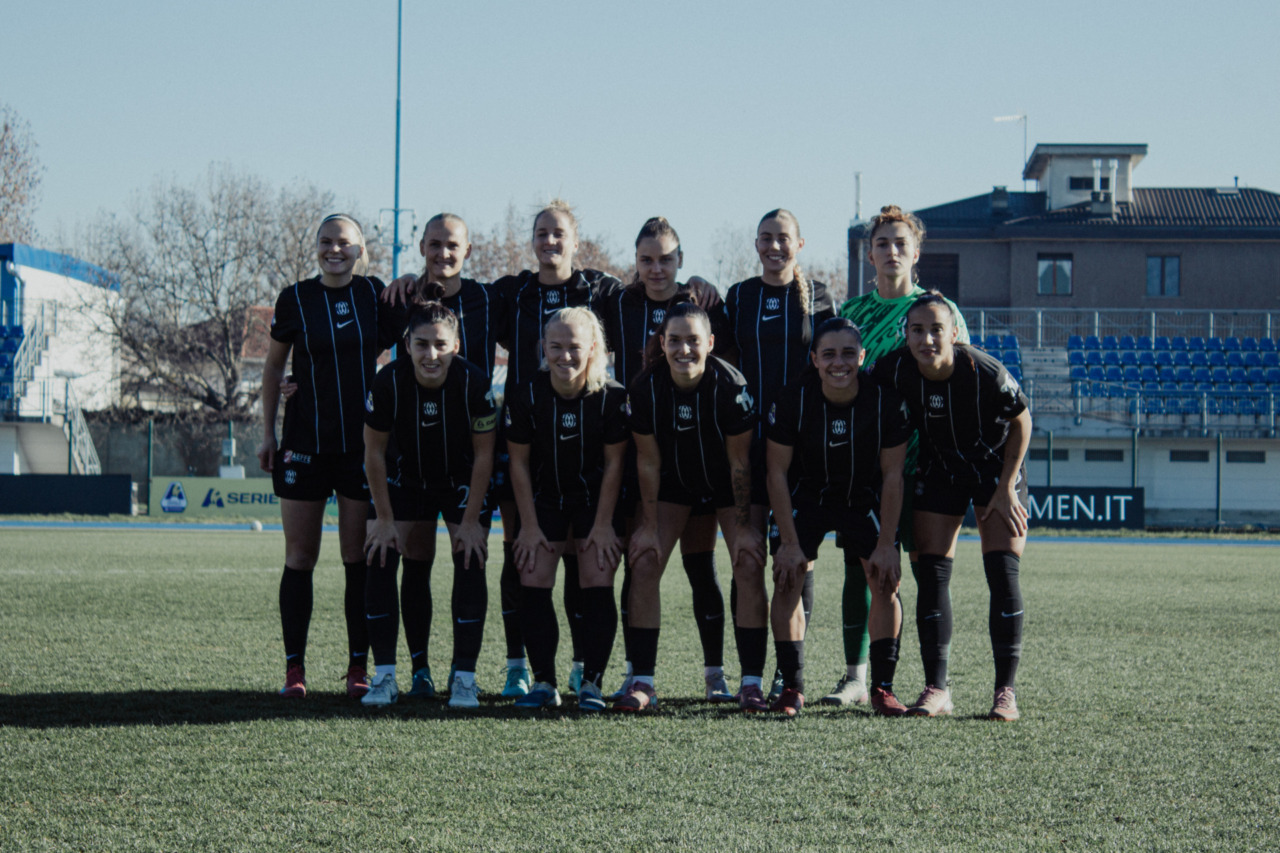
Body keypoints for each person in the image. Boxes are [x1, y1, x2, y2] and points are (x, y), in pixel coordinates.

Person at [824, 204, 971, 707]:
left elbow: (962, 385)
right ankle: (856, 678)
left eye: (900, 244)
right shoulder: (854, 314)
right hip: (868, 466)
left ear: (916, 252)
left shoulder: (941, 311)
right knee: (859, 570)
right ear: (869, 253)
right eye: (882, 244)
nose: (891, 252)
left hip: (928, 463)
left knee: (929, 571)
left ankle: (934, 684)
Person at [257, 213, 400, 699]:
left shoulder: (374, 295)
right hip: (303, 444)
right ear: (315, 247)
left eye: (344, 242)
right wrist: (267, 434)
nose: (333, 249)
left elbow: (416, 327)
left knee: (354, 558)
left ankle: (357, 668)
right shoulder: (294, 298)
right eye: (325, 241)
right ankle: (294, 670)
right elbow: (273, 370)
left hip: (360, 448)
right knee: (300, 557)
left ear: (361, 250)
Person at [595, 217, 734, 703]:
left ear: (681, 260)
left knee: (701, 567)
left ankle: (716, 675)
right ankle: (638, 674)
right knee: (640, 563)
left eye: (666, 259)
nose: (656, 268)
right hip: (640, 453)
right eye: (646, 260)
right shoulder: (616, 301)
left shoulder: (698, 305)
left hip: (697, 454)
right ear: (635, 262)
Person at [873, 291, 1030, 721]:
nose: (927, 339)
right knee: (932, 574)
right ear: (905, 337)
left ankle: (1005, 693)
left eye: (936, 330)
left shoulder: (984, 371)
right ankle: (937, 689)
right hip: (940, 469)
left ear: (954, 333)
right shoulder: (895, 368)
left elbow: (1022, 420)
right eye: (917, 330)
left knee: (1001, 572)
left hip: (995, 470)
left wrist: (1007, 488)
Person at [765, 318, 911, 716]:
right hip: (805, 497)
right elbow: (775, 472)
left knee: (884, 580)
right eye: (829, 354)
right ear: (814, 359)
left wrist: (886, 544)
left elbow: (893, 475)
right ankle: (791, 687)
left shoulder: (885, 400)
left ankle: (882, 687)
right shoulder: (793, 398)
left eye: (849, 353)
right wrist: (791, 545)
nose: (839, 362)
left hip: (861, 498)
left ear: (862, 357)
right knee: (787, 577)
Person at [623, 302, 765, 711]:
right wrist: (647, 525)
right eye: (675, 341)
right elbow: (647, 462)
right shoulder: (646, 387)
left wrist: (742, 528)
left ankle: (751, 683)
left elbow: (739, 463)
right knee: (645, 560)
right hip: (674, 484)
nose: (684, 349)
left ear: (711, 343)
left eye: (693, 340)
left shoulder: (731, 387)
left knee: (749, 561)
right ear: (662, 343)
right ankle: (643, 682)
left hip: (726, 486)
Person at [394, 214, 512, 700]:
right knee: (414, 561)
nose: (443, 253)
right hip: (414, 454)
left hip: (472, 456)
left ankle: (464, 672)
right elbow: (349, 351)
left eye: (453, 245)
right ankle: (419, 670)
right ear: (421, 246)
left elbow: (541, 331)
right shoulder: (400, 299)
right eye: (435, 244)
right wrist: (300, 385)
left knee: (471, 558)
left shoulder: (489, 298)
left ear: (469, 250)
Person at [720, 209, 836, 703]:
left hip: (801, 450)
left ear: (800, 244)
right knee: (747, 561)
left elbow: (836, 361)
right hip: (747, 446)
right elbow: (721, 362)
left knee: (795, 562)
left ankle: (788, 676)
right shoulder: (739, 296)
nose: (774, 246)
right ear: (755, 243)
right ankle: (750, 676)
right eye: (765, 238)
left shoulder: (820, 297)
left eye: (782, 238)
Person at [361, 300, 497, 708]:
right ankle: (385, 676)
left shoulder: (475, 383)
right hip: (405, 479)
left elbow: (486, 456)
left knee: (471, 556)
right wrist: (384, 519)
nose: (431, 354)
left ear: (456, 345)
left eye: (440, 345)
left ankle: (464, 679)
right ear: (406, 345)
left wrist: (471, 521)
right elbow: (373, 454)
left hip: (460, 479)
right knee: (380, 553)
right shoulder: (387, 383)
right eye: (421, 344)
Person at [505, 307, 629, 711]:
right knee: (532, 571)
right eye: (555, 346)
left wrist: (606, 524)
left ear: (592, 347)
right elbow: (519, 465)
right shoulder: (526, 394)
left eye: (574, 347)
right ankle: (544, 682)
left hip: (596, 500)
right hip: (545, 498)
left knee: (597, 572)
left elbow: (614, 465)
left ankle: (591, 683)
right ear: (543, 346)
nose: (565, 356)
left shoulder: (612, 396)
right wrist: (526, 525)